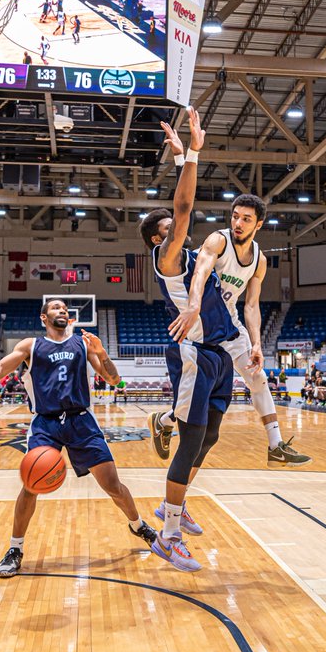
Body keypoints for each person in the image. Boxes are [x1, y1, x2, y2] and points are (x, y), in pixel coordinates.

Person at [0, 304, 162, 578]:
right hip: (46, 423)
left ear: (69, 318)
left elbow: (114, 379)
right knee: (30, 486)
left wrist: (101, 352)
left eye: (64, 308)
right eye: (55, 307)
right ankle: (15, 549)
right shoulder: (30, 345)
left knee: (112, 485)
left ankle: (138, 525)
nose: (61, 309)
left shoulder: (82, 344)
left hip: (80, 420)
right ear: (44, 317)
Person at [152, 193, 310, 467]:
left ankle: (275, 445)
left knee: (257, 378)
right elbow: (200, 273)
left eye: (246, 219)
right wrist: (192, 306)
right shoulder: (218, 240)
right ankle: (165, 420)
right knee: (199, 402)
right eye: (235, 216)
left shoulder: (259, 259)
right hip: (203, 323)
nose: (238, 222)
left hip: (231, 324)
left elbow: (251, 305)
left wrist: (257, 343)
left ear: (258, 225)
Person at [138, 106, 230, 573]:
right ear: (159, 239)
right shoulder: (168, 259)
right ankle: (168, 535)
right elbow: (183, 207)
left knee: (209, 436)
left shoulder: (190, 255)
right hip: (192, 353)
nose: (180, 230)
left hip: (218, 353)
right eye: (170, 229)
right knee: (191, 441)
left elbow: (183, 212)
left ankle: (174, 508)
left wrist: (180, 160)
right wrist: (192, 153)